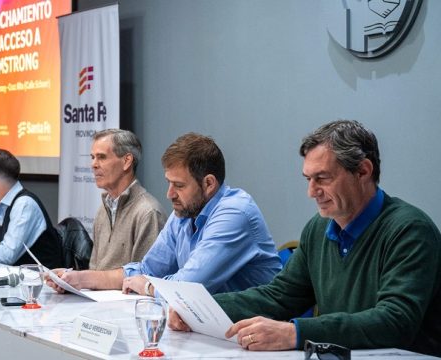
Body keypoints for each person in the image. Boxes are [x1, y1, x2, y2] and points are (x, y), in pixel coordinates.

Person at [168, 120, 441, 357]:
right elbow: (280, 296)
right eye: (308, 179)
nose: (312, 192)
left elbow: (394, 322)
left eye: (322, 178)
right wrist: (199, 309)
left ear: (363, 171)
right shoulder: (319, 228)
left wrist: (295, 333)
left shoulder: (410, 230)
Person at [47, 133, 281, 296]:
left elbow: (187, 287)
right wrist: (78, 279)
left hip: (257, 336)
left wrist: (148, 286)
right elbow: (145, 270)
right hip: (212, 328)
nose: (169, 194)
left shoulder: (234, 213)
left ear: (209, 184)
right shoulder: (184, 214)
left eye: (179, 186)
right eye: (169, 183)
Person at [88, 129, 167, 270]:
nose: (93, 164)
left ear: (126, 161)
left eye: (101, 157)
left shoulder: (148, 213)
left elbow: (145, 277)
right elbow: (93, 270)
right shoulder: (103, 210)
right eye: (92, 157)